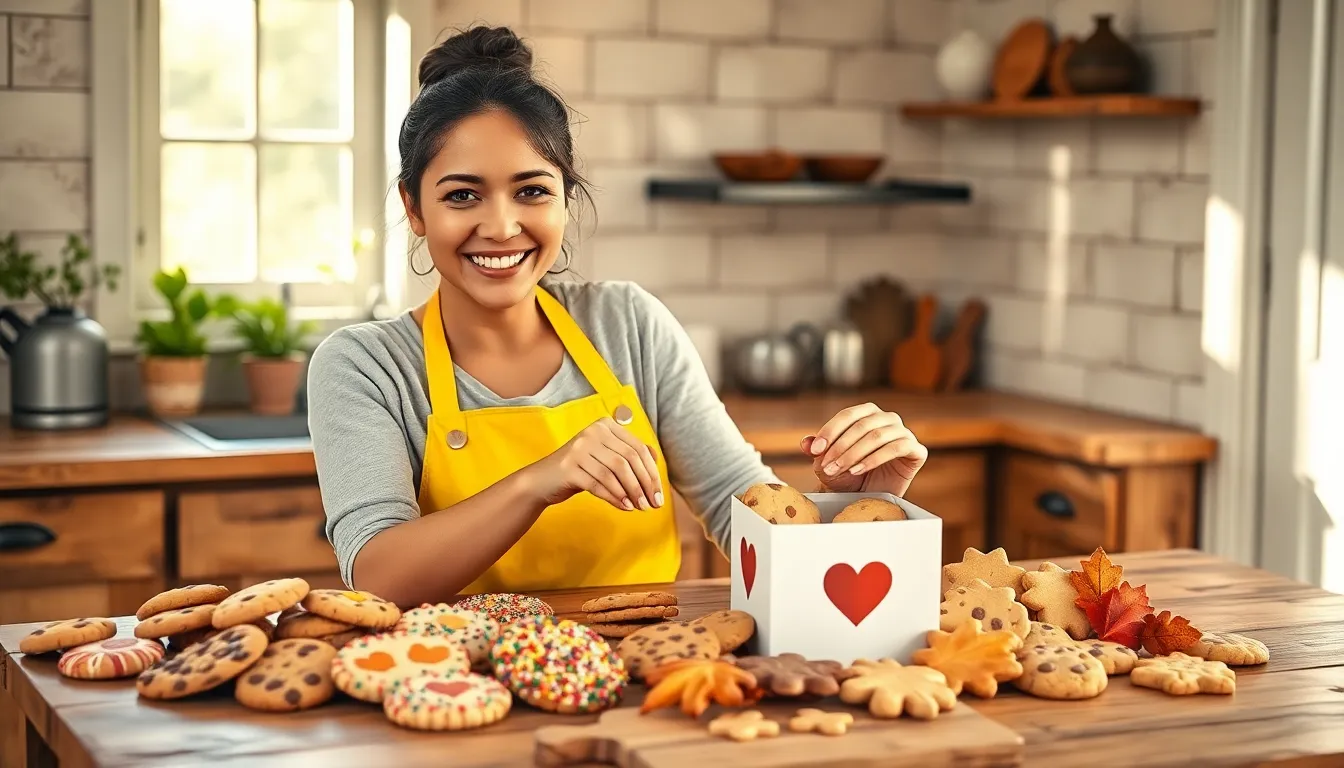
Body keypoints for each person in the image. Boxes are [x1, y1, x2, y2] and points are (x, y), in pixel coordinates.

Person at [305, 25, 929, 608]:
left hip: (642, 686)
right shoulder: (366, 366)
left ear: (565, 200)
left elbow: (740, 509)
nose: (500, 226)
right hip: (452, 689)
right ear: (414, 209)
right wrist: (539, 480)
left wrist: (867, 500)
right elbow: (378, 575)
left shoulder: (628, 323)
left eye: (532, 191)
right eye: (462, 195)